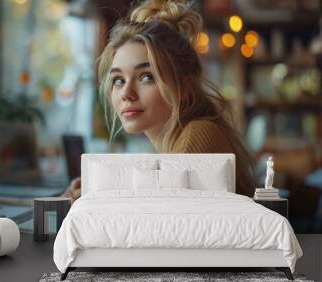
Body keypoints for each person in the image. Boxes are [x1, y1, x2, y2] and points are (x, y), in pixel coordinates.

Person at [65, 0, 256, 201]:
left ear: (183, 86)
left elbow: (159, 219)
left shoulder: (196, 135)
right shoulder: (176, 141)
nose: (126, 93)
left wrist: (97, 198)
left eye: (147, 77)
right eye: (119, 80)